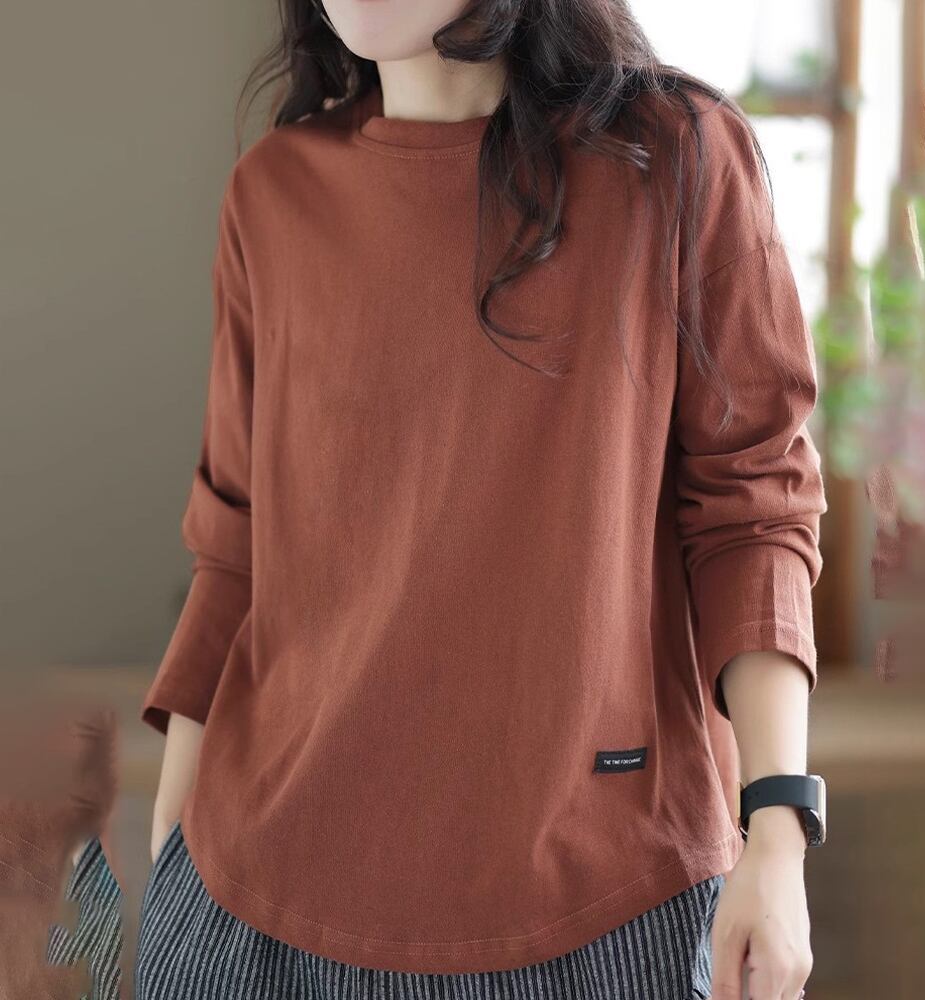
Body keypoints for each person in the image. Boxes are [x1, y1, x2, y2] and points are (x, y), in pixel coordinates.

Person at [135, 1, 828, 998]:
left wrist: (777, 831)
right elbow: (236, 538)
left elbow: (752, 508)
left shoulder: (676, 157)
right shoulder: (272, 193)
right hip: (250, 908)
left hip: (607, 907)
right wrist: (173, 845)